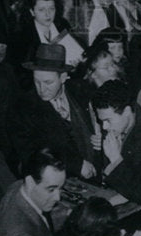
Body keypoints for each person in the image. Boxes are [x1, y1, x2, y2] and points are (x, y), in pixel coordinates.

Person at [8, 43, 99, 180]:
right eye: (37, 82)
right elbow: (30, 155)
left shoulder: (81, 90)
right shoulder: (23, 107)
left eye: (48, 82)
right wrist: (75, 164)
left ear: (63, 78)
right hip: (58, 182)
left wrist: (100, 137)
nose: (42, 89)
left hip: (96, 173)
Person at [92, 79, 141, 208]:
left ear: (128, 111)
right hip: (111, 194)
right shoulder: (113, 124)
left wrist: (116, 160)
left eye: (108, 120)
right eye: (102, 121)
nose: (105, 127)